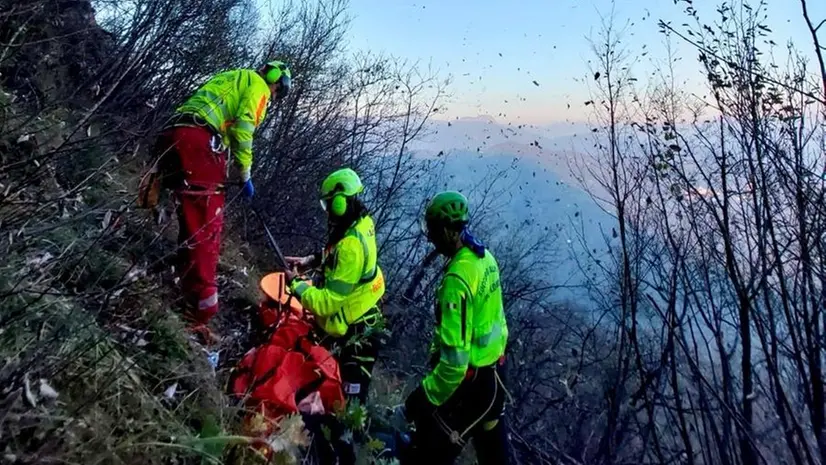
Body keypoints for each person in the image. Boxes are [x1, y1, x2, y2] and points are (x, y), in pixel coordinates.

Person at [151, 60, 292, 340]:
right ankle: (203, 305)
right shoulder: (258, 87)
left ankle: (183, 278)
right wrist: (245, 172)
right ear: (275, 81)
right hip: (199, 139)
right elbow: (243, 127)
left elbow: (223, 123)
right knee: (207, 223)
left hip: (175, 133)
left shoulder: (234, 77)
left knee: (190, 216)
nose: (275, 97)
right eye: (279, 91)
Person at [284, 167, 386, 465]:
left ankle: (343, 456)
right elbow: (335, 253)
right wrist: (310, 260)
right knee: (333, 396)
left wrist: (297, 285)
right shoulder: (360, 223)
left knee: (346, 410)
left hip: (359, 337)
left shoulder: (352, 246)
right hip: (358, 321)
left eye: (328, 203)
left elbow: (327, 303)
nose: (327, 210)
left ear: (341, 201)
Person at [401, 191, 511, 465]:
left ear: (448, 231)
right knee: (495, 456)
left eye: (434, 232)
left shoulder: (457, 280)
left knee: (427, 454)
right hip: (496, 372)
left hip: (474, 385)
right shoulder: (484, 259)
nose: (432, 239)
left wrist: (423, 397)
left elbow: (454, 365)